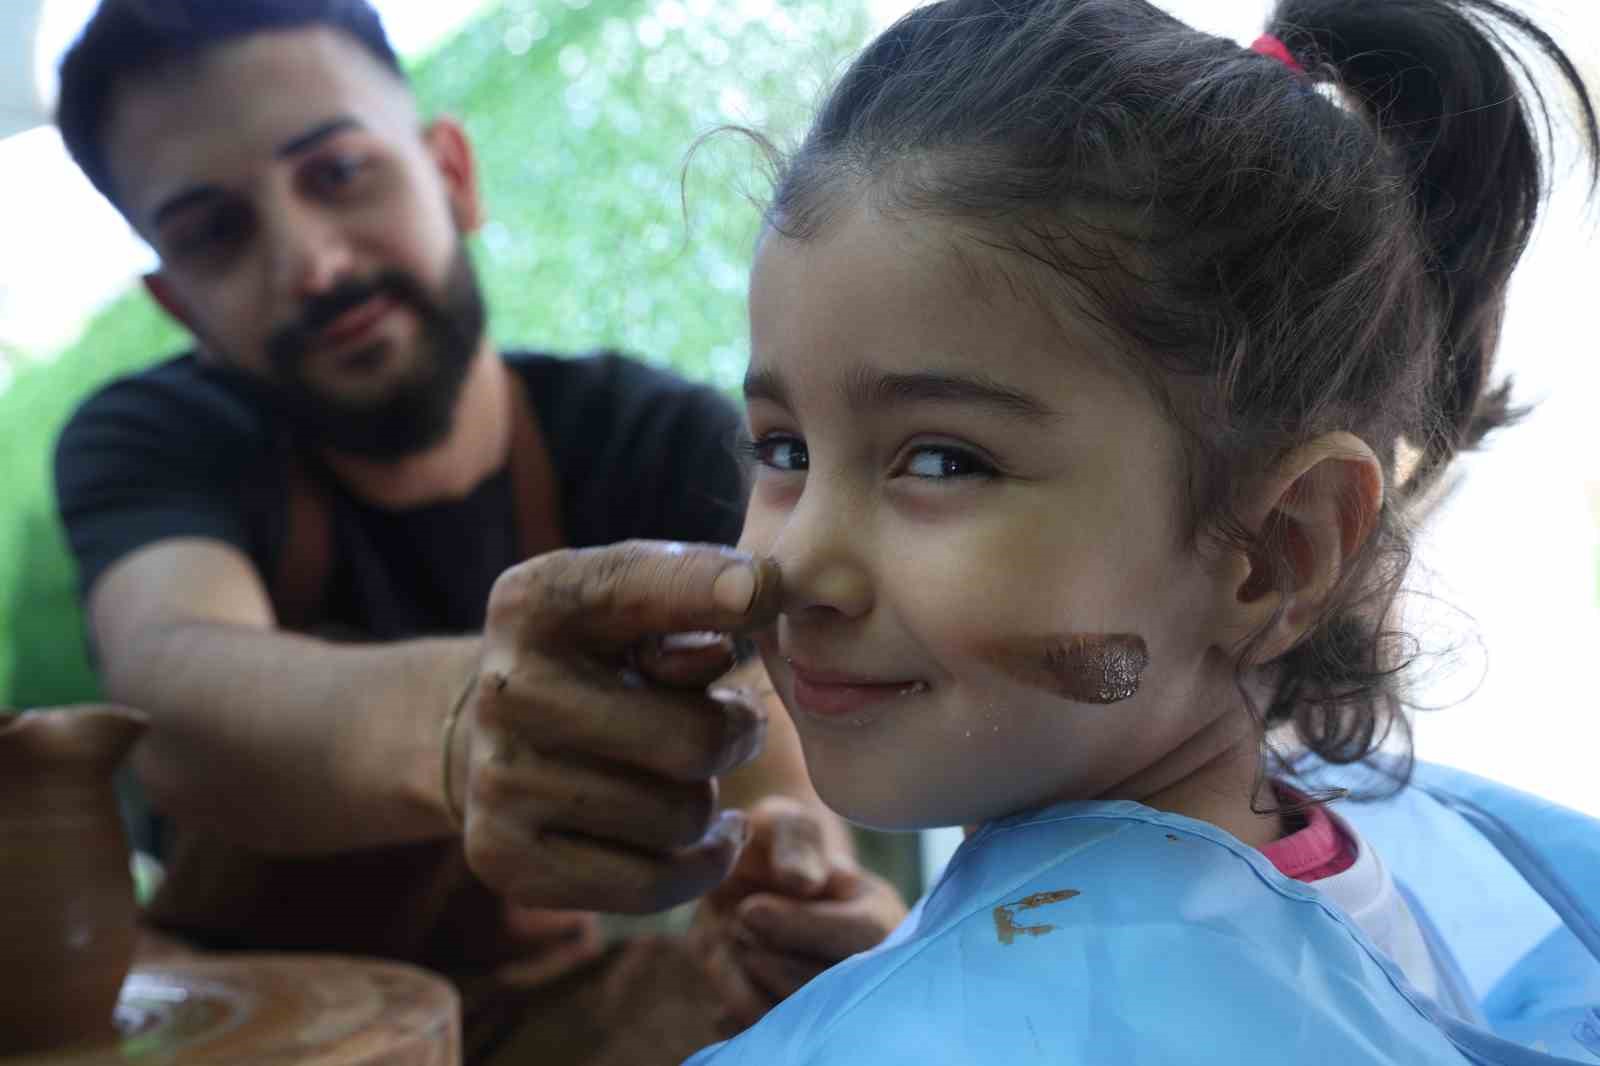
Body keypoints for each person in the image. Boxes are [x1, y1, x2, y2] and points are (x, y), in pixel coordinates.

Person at [684, 0, 1600, 1062]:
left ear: (1274, 551)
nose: (798, 565)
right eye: (784, 449)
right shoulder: (1314, 857)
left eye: (942, 460)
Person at [48, 1, 903, 1061]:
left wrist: (801, 897)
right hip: (238, 1023)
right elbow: (170, 685)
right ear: (179, 305)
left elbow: (779, 790)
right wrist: (459, 725)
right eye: (217, 232)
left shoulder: (649, 443)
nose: (311, 263)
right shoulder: (154, 441)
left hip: (548, 1018)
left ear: (450, 172)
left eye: (338, 173)